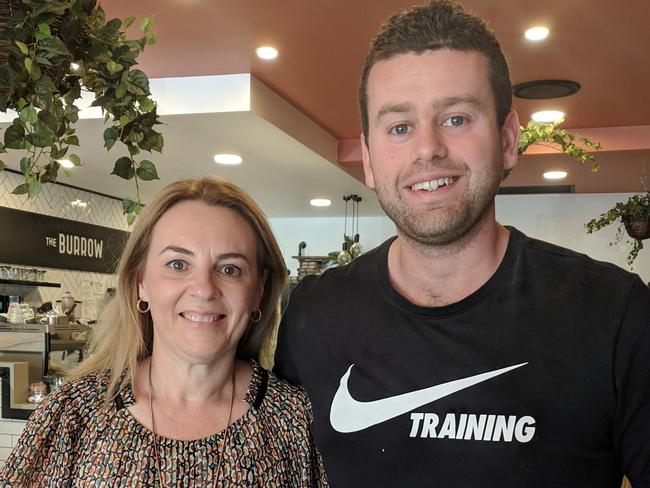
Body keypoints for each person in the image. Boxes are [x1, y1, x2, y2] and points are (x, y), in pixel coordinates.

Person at [274, 2, 650, 487]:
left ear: (509, 139)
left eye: (456, 118)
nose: (427, 148)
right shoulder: (313, 316)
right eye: (400, 127)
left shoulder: (617, 315)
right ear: (369, 160)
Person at [1, 177, 328, 486]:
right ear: (141, 282)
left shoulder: (295, 420)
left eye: (230, 269)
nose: (203, 288)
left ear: (258, 291)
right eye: (177, 264)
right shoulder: (73, 413)